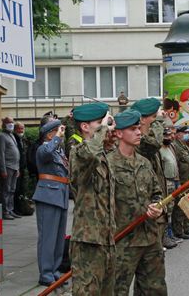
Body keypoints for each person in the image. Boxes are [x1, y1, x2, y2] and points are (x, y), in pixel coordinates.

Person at [110, 110, 166, 296]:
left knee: (154, 290)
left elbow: (157, 193)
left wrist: (158, 207)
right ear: (119, 133)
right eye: (133, 129)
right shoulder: (107, 164)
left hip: (150, 238)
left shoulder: (144, 163)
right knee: (117, 290)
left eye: (139, 128)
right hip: (123, 240)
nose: (139, 132)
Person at [68, 102, 118, 295]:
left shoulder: (102, 154)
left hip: (106, 238)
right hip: (88, 242)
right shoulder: (79, 151)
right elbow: (90, 154)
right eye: (99, 123)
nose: (106, 127)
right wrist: (104, 129)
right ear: (85, 126)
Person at [131, 98, 173, 250]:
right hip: (146, 203)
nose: (157, 120)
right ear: (142, 119)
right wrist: (159, 121)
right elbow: (156, 142)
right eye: (153, 117)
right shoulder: (143, 142)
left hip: (155, 198)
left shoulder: (146, 137)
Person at [33, 120, 68, 287]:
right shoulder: (43, 148)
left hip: (60, 194)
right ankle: (45, 273)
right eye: (57, 130)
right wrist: (57, 138)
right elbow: (46, 153)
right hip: (48, 195)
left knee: (59, 238)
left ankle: (55, 270)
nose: (61, 133)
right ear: (49, 134)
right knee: (48, 237)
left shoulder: (59, 151)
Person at [172, 126, 189, 240]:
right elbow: (176, 164)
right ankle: (179, 230)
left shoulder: (185, 146)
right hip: (183, 180)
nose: (186, 135)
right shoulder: (176, 147)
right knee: (180, 207)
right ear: (178, 134)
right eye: (184, 133)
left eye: (187, 133)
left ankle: (187, 227)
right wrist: (178, 181)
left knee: (188, 205)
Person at [0, 116, 21, 220]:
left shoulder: (11, 135)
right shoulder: (1, 136)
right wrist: (3, 170)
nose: (11, 124)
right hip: (8, 167)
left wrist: (18, 168)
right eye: (9, 122)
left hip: (14, 167)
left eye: (12, 122)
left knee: (12, 190)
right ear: (4, 124)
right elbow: (1, 154)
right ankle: (5, 211)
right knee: (6, 190)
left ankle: (10, 210)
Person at [159, 127, 180, 248]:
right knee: (167, 209)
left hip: (174, 180)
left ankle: (171, 234)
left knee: (172, 208)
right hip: (166, 181)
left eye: (169, 135)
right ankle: (166, 235)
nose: (168, 137)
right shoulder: (159, 150)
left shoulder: (171, 147)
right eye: (166, 135)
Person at [13, 122, 27, 215]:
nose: (21, 131)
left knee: (20, 189)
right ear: (15, 129)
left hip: (21, 168)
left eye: (22, 128)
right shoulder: (14, 138)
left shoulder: (22, 139)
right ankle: (15, 209)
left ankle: (19, 208)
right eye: (19, 128)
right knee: (15, 190)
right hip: (16, 168)